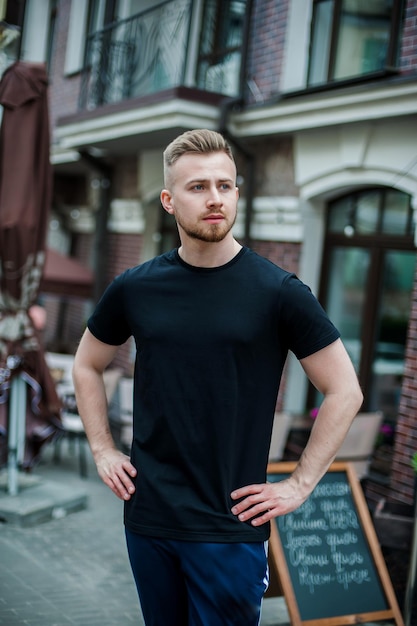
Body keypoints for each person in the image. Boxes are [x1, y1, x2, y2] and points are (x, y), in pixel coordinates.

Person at [72, 129, 363, 626]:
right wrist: (102, 449)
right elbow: (87, 364)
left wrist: (298, 485)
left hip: (229, 526)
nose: (214, 199)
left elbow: (344, 390)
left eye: (225, 186)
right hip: (150, 516)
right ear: (168, 200)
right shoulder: (136, 287)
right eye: (198, 187)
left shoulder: (279, 292)